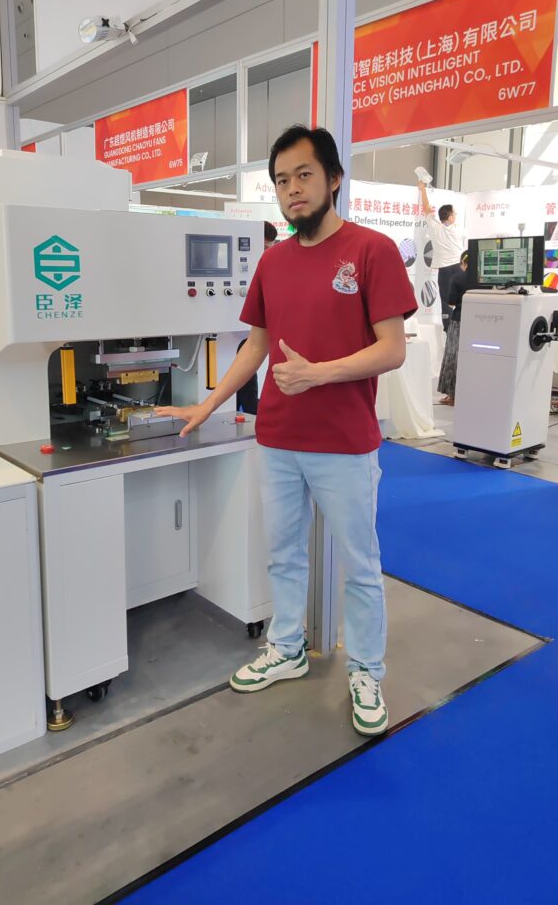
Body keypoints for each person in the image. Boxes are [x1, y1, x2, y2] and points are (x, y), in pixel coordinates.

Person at [157, 125, 417, 736]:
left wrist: (319, 375)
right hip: (276, 438)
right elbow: (257, 346)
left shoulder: (370, 251)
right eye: (280, 180)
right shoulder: (273, 261)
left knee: (360, 560)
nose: (292, 190)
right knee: (282, 553)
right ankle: (288, 647)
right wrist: (209, 405)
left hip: (345, 442)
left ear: (332, 179)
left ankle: (368, 671)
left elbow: (393, 349)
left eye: (303, 175)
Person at [236, 222, 279, 415]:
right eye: (262, 247)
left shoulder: (270, 270)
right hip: (230, 341)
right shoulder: (242, 269)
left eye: (268, 247)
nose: (265, 252)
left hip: (248, 340)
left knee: (249, 393)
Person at [418, 180, 464, 332]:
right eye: (454, 214)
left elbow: (426, 208)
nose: (456, 216)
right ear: (450, 218)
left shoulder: (435, 228)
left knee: (446, 301)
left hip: (444, 271)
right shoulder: (459, 230)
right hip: (458, 269)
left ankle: (448, 329)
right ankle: (461, 326)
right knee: (461, 299)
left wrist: (422, 189)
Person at [436, 251, 470, 406]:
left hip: (458, 321)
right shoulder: (484, 279)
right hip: (479, 322)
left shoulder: (457, 278)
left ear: (463, 263)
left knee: (453, 357)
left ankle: (452, 395)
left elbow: (450, 301)